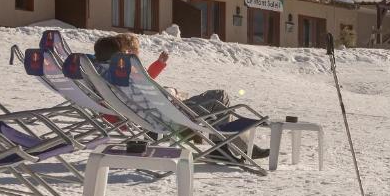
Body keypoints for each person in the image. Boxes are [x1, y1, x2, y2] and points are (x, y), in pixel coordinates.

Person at [93, 34, 270, 158]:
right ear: (119, 55)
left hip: (154, 115)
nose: (127, 54)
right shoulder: (126, 72)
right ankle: (235, 148)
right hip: (169, 115)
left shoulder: (104, 75)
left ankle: (222, 147)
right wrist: (171, 94)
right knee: (219, 97)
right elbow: (150, 91)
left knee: (213, 104)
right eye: (124, 52)